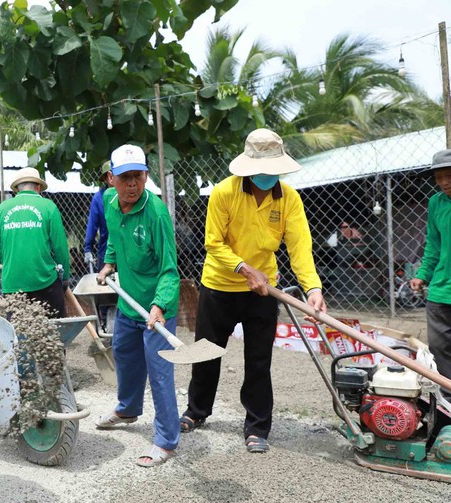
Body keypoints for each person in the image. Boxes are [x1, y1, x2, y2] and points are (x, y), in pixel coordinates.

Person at [180, 128, 326, 454]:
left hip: (263, 292)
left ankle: (257, 425)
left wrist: (312, 287)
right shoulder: (224, 192)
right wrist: (245, 269)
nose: (267, 176)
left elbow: (300, 247)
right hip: (219, 285)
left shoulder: (289, 198)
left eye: (273, 170)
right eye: (261, 170)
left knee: (259, 361)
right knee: (206, 353)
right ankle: (197, 410)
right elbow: (213, 242)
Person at [95, 144, 180, 468]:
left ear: (146, 176)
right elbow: (114, 238)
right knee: (124, 356)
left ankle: (166, 440)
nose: (132, 184)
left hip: (157, 309)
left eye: (138, 176)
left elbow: (170, 269)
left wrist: (159, 305)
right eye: (125, 177)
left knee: (159, 374)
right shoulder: (109, 203)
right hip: (130, 307)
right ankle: (128, 409)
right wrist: (108, 263)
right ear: (111, 179)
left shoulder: (156, 213)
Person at [0, 167, 70, 318]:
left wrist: (0, 254)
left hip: (12, 285)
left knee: (18, 331)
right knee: (55, 331)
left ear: (17, 189)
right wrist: (65, 278)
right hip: (45, 281)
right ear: (38, 187)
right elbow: (60, 248)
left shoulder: (2, 208)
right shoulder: (49, 207)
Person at [410, 149, 451, 396]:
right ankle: (449, 398)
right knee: (439, 347)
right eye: (439, 177)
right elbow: (433, 245)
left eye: (449, 176)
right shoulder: (436, 203)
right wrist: (422, 273)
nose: (444, 182)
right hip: (441, 290)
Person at [84, 161, 113, 272]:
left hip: (127, 252)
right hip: (106, 252)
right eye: (109, 175)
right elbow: (92, 225)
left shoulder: (127, 196)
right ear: (105, 178)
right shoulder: (99, 198)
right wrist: (88, 249)